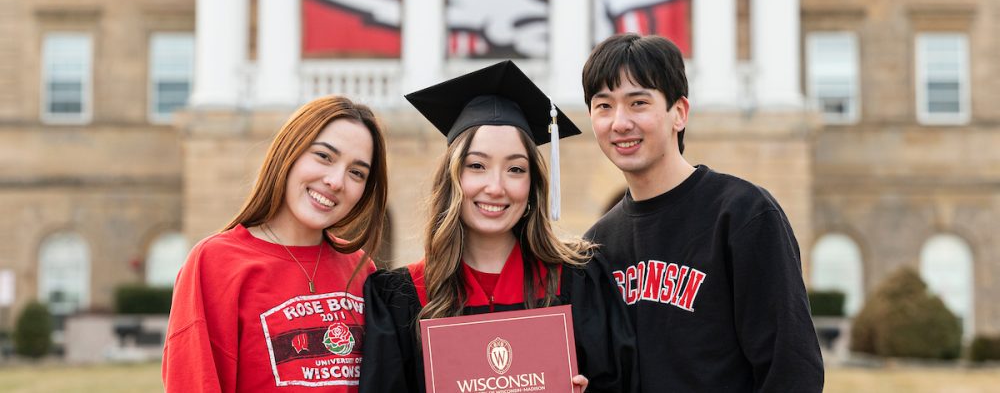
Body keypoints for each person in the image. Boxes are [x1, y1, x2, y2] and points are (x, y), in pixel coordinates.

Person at [359, 61, 637, 393]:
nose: (496, 186)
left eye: (516, 170)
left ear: (533, 184)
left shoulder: (579, 281)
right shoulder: (401, 298)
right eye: (477, 165)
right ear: (453, 177)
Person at [582, 33, 824, 392]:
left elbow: (791, 367)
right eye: (604, 106)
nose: (619, 123)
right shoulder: (598, 245)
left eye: (638, 103)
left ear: (679, 112)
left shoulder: (743, 214)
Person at [162, 96, 389, 392]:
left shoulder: (360, 268)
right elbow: (195, 382)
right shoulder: (215, 262)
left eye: (356, 173)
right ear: (289, 152)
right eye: (324, 156)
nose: (336, 181)